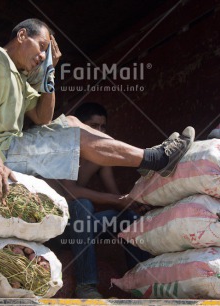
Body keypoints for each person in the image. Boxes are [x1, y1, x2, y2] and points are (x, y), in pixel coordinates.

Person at [0, 18, 195, 197]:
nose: (42, 55)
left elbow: (43, 118)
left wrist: (49, 73)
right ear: (22, 35)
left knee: (73, 123)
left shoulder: (21, 77)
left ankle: (145, 160)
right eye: (41, 47)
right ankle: (155, 159)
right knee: (74, 134)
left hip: (10, 151)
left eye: (46, 52)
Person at [50, 102, 150, 299]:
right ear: (81, 127)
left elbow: (117, 198)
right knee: (82, 204)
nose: (99, 131)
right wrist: (117, 199)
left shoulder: (100, 156)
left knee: (127, 217)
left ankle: (143, 283)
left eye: (103, 127)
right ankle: (86, 287)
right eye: (93, 126)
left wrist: (132, 203)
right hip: (57, 229)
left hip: (84, 228)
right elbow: (69, 192)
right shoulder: (66, 149)